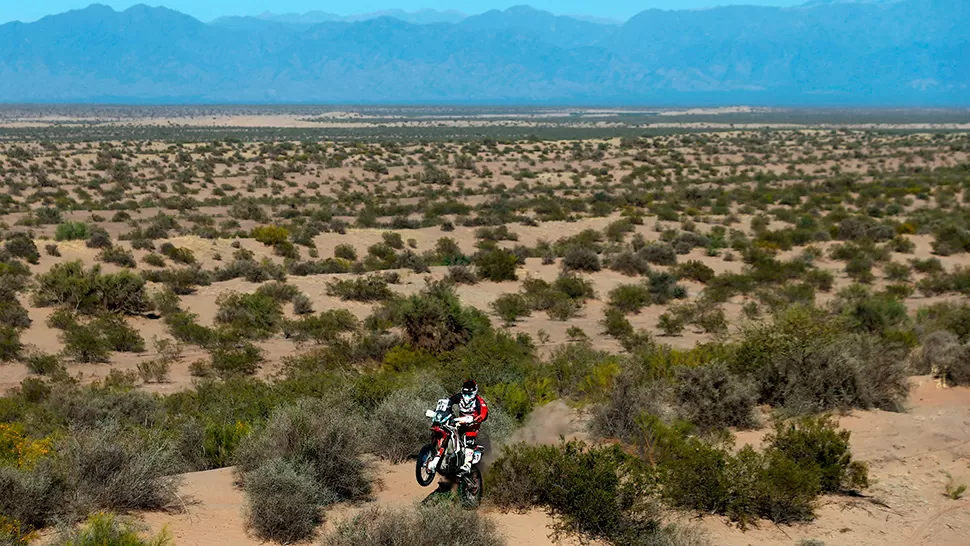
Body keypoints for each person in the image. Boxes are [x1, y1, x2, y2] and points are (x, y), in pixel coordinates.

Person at [430, 379, 489, 474]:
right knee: (449, 433)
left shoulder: (479, 401)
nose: (466, 396)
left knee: (469, 439)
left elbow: (484, 413)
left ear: (474, 392)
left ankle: (467, 464)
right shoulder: (459, 397)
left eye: (469, 394)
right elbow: (448, 402)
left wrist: (478, 418)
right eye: (465, 393)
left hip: (473, 423)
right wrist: (441, 411)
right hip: (460, 421)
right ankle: (445, 458)